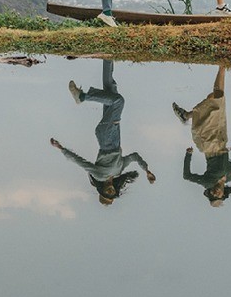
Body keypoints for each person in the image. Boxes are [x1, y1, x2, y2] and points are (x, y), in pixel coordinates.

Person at [51, 61, 155, 205]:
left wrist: (61, 148)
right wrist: (146, 170)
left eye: (107, 194)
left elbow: (80, 162)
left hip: (106, 138)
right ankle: (108, 57)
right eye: (112, 195)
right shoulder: (118, 171)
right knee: (110, 88)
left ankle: (82, 97)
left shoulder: (99, 175)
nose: (110, 192)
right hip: (114, 135)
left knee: (118, 101)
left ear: (102, 190)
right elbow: (134, 156)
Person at [175, 68, 231, 205]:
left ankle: (222, 66)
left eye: (212, 196)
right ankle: (187, 115)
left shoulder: (208, 182)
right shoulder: (230, 176)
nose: (215, 194)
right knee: (215, 99)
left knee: (217, 100)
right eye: (218, 196)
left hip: (208, 142)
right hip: (222, 138)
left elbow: (187, 176)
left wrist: (188, 155)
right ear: (223, 194)